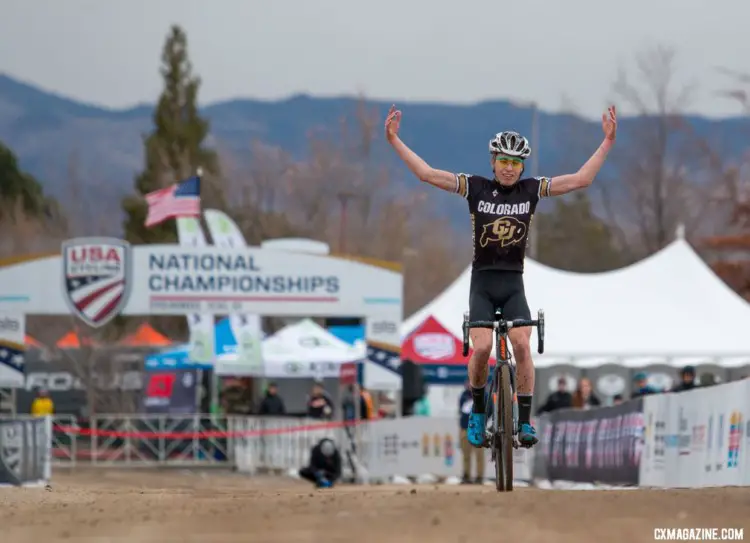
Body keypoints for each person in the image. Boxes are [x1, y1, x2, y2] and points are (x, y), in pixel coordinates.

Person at [384, 103, 618, 448]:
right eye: (503, 161)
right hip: (482, 282)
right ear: (493, 161)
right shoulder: (476, 188)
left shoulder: (530, 190)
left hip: (513, 282)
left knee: (522, 344)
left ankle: (524, 422)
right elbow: (428, 175)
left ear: (522, 166)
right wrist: (393, 140)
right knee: (480, 350)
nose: (509, 169)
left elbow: (581, 180)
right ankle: (479, 411)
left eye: (515, 163)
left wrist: (608, 141)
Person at [458, 381, 484, 484]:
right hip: (465, 427)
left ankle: (479, 476)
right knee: (466, 454)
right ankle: (466, 475)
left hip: (478, 428)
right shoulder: (463, 396)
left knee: (479, 454)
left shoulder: (484, 395)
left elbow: (488, 409)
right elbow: (461, 409)